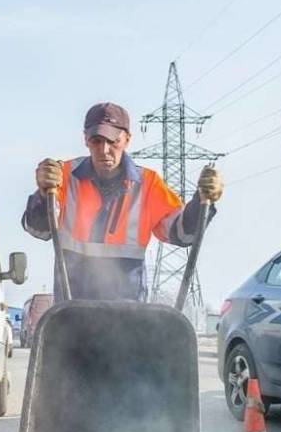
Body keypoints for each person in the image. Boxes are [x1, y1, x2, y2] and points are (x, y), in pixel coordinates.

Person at [23, 102, 223, 300]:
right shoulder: (64, 177)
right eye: (97, 141)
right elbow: (38, 230)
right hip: (71, 310)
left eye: (113, 141)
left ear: (127, 139)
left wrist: (202, 201)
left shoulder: (148, 185)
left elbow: (183, 234)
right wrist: (42, 193)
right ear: (86, 139)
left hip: (128, 315)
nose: (104, 149)